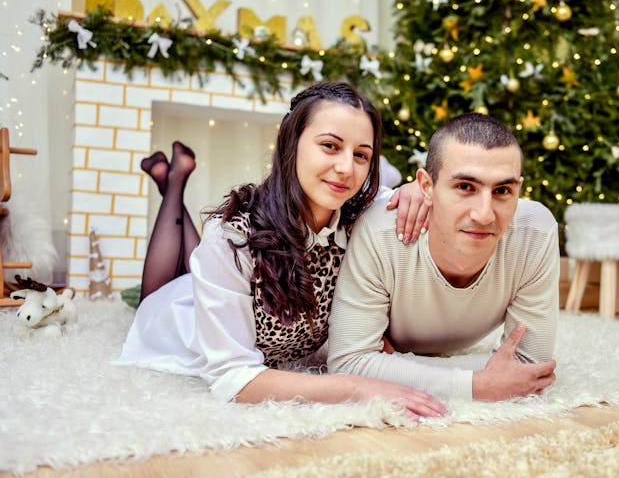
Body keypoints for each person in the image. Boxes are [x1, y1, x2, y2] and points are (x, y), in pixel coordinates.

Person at [115, 82, 444, 421]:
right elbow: (235, 379)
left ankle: (170, 183)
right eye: (330, 146)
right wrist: (356, 388)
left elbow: (396, 195)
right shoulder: (231, 236)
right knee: (158, 291)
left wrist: (414, 191)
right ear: (292, 144)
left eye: (361, 155)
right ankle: (172, 187)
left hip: (218, 283)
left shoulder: (362, 214)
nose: (347, 168)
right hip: (178, 320)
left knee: (190, 259)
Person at [327, 112, 559, 401]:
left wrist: (391, 365)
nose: (484, 214)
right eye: (465, 187)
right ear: (426, 187)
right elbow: (348, 363)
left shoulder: (534, 231)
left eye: (502, 190)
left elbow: (527, 371)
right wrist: (474, 386)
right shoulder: (381, 230)